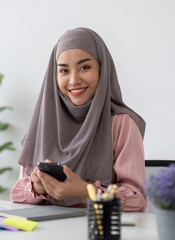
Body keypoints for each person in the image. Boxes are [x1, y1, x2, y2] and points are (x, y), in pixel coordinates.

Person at [10, 27, 147, 212]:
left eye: (85, 67)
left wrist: (85, 191)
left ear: (102, 69)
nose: (74, 80)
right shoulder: (42, 125)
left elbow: (136, 200)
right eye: (64, 71)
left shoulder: (121, 125)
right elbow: (17, 195)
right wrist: (38, 188)